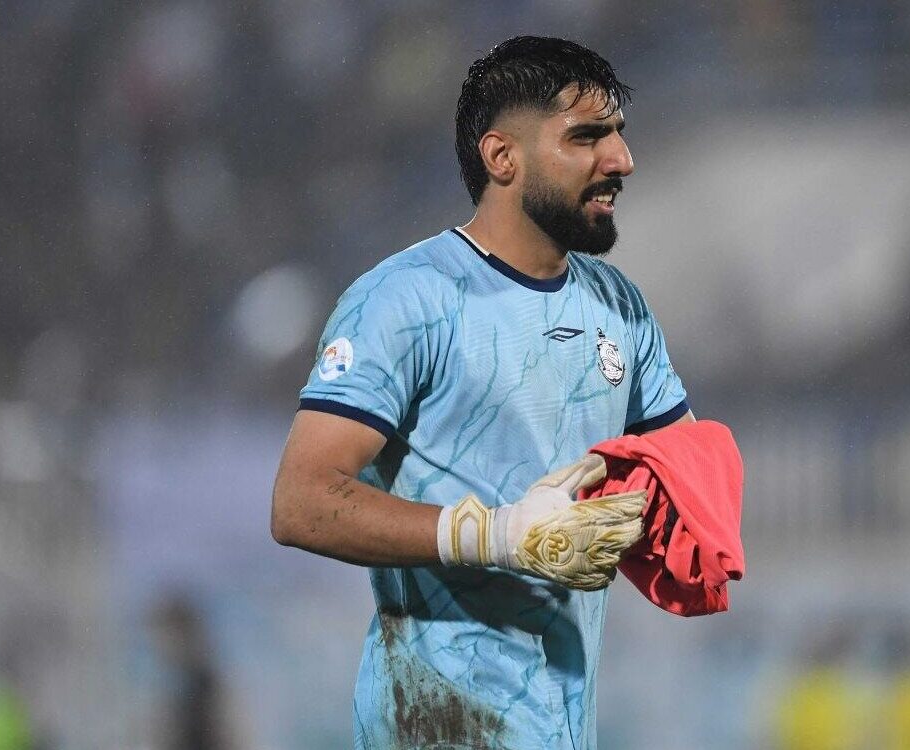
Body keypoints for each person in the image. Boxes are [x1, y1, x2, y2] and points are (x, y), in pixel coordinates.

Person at [270, 36, 692, 749]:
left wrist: (649, 500)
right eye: (586, 137)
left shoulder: (620, 308)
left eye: (618, 135)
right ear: (502, 158)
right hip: (436, 728)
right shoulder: (406, 300)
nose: (621, 160)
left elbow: (681, 482)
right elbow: (300, 501)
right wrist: (496, 535)